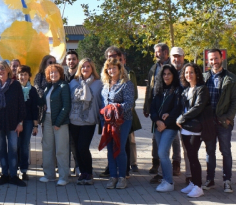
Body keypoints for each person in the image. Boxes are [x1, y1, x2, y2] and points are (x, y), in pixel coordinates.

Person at [202, 49, 236, 193]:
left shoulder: (231, 78)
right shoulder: (204, 77)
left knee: (225, 151)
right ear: (208, 61)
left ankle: (227, 180)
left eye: (216, 59)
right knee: (209, 152)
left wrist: (228, 118)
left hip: (223, 122)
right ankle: (210, 179)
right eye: (211, 59)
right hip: (208, 122)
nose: (214, 62)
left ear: (221, 58)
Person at [100, 47, 141, 178]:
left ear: (119, 68)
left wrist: (114, 108)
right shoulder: (105, 84)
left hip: (123, 120)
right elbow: (103, 103)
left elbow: (129, 103)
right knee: (110, 149)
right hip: (108, 121)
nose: (111, 70)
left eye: (114, 68)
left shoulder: (126, 83)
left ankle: (122, 176)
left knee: (120, 147)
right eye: (109, 68)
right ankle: (113, 176)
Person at [144, 43, 181, 183]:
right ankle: (159, 169)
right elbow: (150, 88)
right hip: (158, 114)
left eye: (158, 51)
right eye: (155, 52)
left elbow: (178, 104)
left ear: (165, 52)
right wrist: (150, 109)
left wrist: (168, 119)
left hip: (170, 120)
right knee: (158, 143)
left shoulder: (174, 70)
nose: (156, 54)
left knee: (172, 141)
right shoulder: (154, 68)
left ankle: (174, 165)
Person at [176, 63, 212, 198]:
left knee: (193, 156)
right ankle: (193, 182)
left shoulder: (202, 89)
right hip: (186, 128)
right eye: (186, 72)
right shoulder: (186, 90)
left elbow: (198, 107)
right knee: (190, 157)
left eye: (191, 72)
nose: (188, 75)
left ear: (197, 74)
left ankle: (198, 186)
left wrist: (182, 118)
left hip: (195, 128)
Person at [0, 61, 26, 187]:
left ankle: (14, 175)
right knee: (1, 149)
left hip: (13, 123)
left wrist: (20, 122)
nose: (1, 71)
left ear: (8, 70)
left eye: (3, 68)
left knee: (13, 149)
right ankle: (5, 174)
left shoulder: (15, 85)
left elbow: (21, 104)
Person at [149, 64, 183, 192]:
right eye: (164, 74)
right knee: (163, 154)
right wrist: (157, 121)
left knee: (162, 152)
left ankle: (169, 181)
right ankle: (164, 178)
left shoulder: (177, 90)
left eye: (169, 74)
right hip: (158, 126)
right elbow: (152, 108)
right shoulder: (158, 89)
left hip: (170, 127)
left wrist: (166, 122)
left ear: (173, 75)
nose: (166, 76)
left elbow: (178, 108)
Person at [69, 58, 103, 185]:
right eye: (83, 66)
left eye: (88, 66)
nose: (85, 69)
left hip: (89, 121)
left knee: (83, 147)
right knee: (77, 149)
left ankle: (89, 172)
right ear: (80, 69)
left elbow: (101, 102)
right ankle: (83, 172)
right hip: (74, 120)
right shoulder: (72, 83)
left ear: (92, 68)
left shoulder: (99, 84)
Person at [39, 63, 72, 186]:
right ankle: (49, 175)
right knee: (47, 148)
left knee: (61, 149)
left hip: (60, 121)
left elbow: (66, 106)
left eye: (55, 72)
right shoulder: (48, 87)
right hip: (47, 119)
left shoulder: (63, 86)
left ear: (60, 73)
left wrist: (58, 122)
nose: (53, 74)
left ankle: (63, 177)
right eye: (51, 72)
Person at [16, 65, 41, 181]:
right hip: (15, 121)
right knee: (14, 145)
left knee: (24, 145)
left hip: (28, 121)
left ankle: (24, 170)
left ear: (29, 76)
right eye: (21, 74)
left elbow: (35, 109)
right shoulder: (13, 88)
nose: (23, 77)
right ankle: (14, 168)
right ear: (17, 75)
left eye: (25, 74)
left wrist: (35, 125)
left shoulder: (32, 90)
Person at [170, 47, 189, 182]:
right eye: (174, 57)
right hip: (170, 114)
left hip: (185, 114)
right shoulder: (167, 72)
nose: (177, 59)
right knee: (173, 140)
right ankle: (175, 163)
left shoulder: (188, 72)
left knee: (187, 144)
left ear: (183, 57)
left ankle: (190, 175)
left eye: (179, 56)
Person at [64, 49, 80, 176]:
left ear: (77, 60)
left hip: (78, 114)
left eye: (73, 59)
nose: (71, 61)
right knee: (66, 142)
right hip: (65, 114)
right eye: (69, 59)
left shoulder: (80, 76)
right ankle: (66, 166)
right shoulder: (63, 76)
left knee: (76, 142)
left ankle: (78, 166)